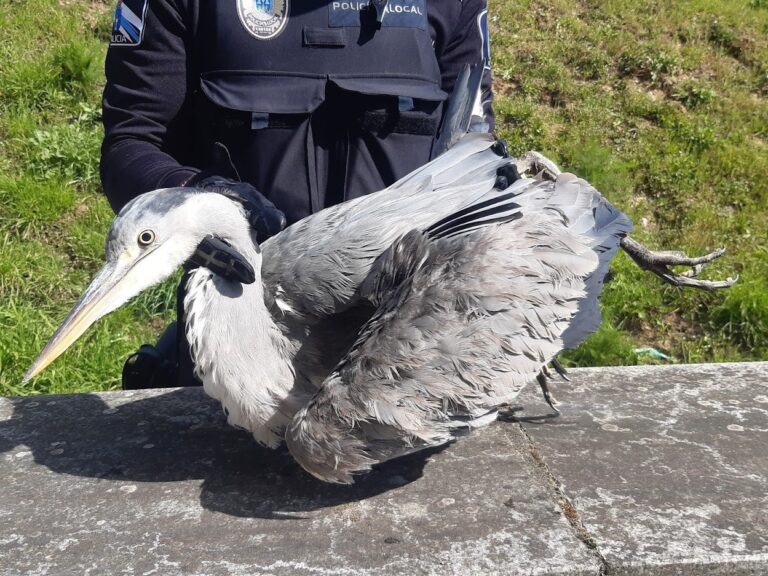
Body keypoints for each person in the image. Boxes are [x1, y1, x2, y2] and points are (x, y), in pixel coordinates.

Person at [101, 0, 495, 388]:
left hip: (407, 356)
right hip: (236, 358)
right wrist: (199, 195)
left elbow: (473, 153)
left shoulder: (453, 5)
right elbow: (131, 142)